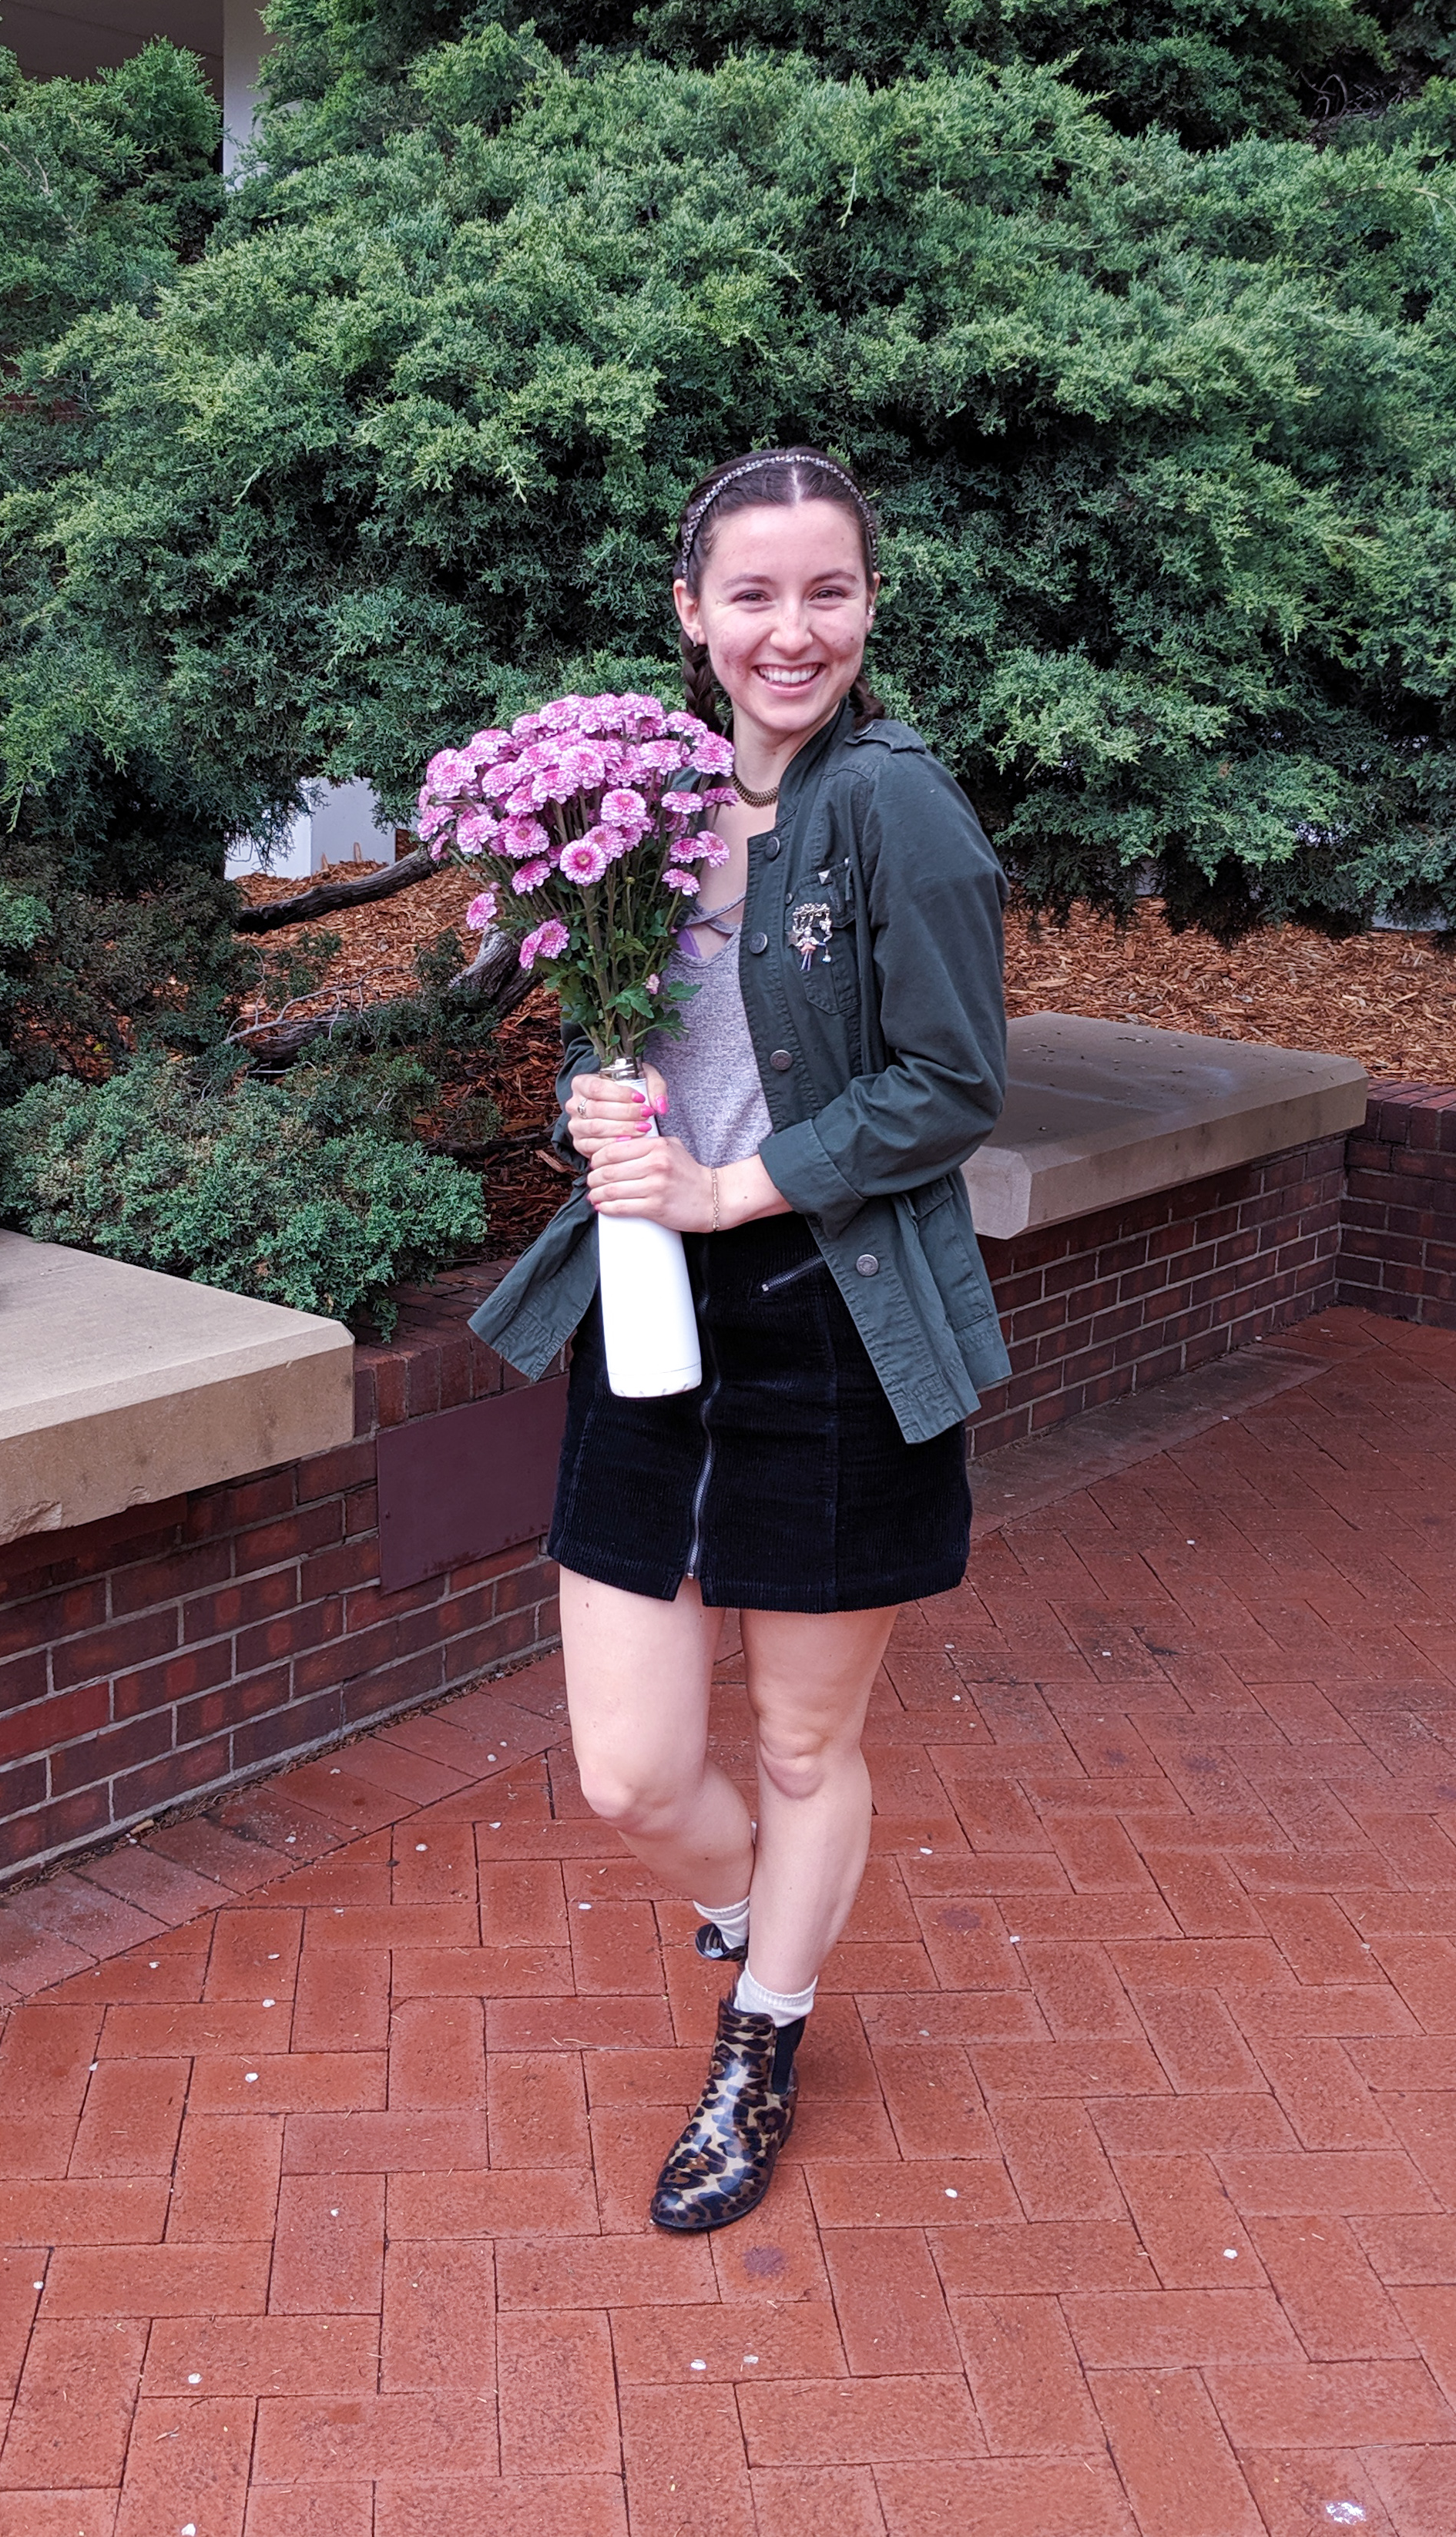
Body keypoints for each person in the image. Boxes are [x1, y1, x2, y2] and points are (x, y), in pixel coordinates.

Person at [471, 446, 1010, 2230]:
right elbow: (623, 1039)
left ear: (868, 606)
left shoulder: (896, 812)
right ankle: (755, 1909)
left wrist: (729, 1186)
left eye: (829, 594)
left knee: (796, 1746)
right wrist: (598, 1119)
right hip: (645, 1320)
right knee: (630, 1767)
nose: (795, 634)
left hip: (835, 1328)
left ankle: (761, 2037)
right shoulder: (638, 796)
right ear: (690, 614)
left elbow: (949, 1086)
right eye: (755, 597)